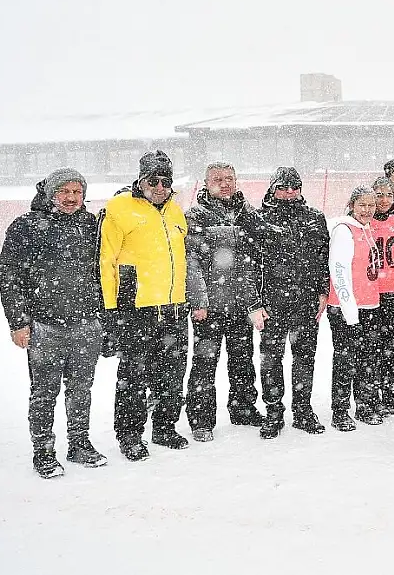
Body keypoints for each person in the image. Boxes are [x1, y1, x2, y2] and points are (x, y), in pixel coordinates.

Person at [0, 168, 105, 477]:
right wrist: (18, 321)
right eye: (64, 191)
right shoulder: (27, 226)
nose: (71, 198)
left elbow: (104, 273)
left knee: (81, 389)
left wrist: (103, 319)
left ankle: (79, 443)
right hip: (44, 326)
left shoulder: (92, 225)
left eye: (77, 192)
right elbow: (8, 276)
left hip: (86, 324)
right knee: (44, 392)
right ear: (50, 193)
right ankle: (43, 450)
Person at [99, 150, 191, 460]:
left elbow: (183, 260)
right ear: (141, 180)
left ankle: (164, 428)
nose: (161, 187)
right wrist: (110, 310)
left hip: (175, 307)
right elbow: (105, 261)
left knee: (172, 373)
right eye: (154, 180)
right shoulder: (119, 208)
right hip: (136, 308)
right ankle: (129, 434)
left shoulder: (176, 212)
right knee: (133, 376)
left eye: (167, 181)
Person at [184, 162, 270, 442]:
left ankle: (243, 407)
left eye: (229, 178)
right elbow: (192, 261)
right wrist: (198, 299)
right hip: (209, 305)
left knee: (243, 360)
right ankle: (201, 419)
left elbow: (255, 259)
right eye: (217, 179)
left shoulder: (247, 213)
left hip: (240, 304)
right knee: (205, 364)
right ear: (206, 183)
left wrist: (254, 301)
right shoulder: (196, 215)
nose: (224, 183)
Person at [257, 166, 330, 438]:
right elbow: (250, 265)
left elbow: (324, 257)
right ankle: (274, 413)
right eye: (283, 187)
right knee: (271, 360)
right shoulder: (260, 218)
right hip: (272, 302)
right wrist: (255, 303)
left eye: (294, 186)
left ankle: (302, 410)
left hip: (306, 300)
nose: (289, 192)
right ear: (273, 188)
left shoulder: (314, 217)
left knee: (304, 358)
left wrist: (323, 291)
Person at [325, 186, 382, 430]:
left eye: (371, 205)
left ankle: (365, 404)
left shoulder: (367, 229)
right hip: (347, 308)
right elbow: (339, 271)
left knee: (367, 359)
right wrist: (350, 311)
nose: (367, 210)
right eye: (362, 205)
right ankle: (340, 410)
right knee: (346, 360)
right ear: (352, 205)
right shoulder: (344, 230)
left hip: (370, 304)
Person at [368, 177, 394, 418]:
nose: (383, 200)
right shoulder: (363, 221)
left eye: (388, 195)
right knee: (373, 345)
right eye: (379, 195)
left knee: (392, 346)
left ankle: (388, 390)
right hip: (372, 292)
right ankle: (371, 394)